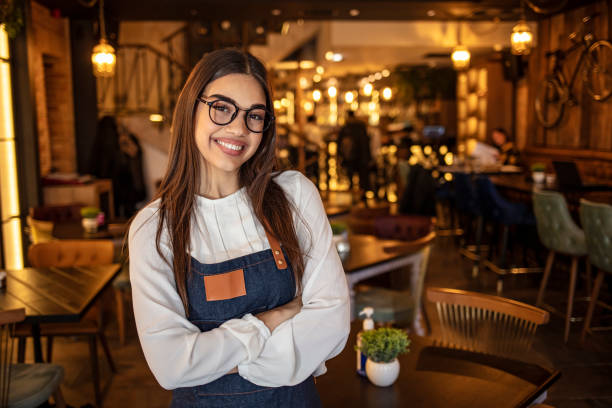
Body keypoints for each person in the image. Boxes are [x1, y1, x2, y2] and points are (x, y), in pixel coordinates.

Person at [128, 49, 350, 407]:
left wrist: (215, 358)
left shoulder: (294, 195)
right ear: (191, 109)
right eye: (221, 107)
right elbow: (171, 367)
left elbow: (332, 324)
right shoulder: (154, 228)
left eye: (255, 116)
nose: (238, 128)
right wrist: (271, 320)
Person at [337, 110, 372, 193]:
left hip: (350, 156)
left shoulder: (346, 128)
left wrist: (341, 154)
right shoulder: (361, 127)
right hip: (361, 155)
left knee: (351, 174)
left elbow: (340, 142)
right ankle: (362, 194)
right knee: (362, 176)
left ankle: (354, 191)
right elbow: (366, 142)